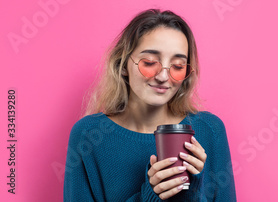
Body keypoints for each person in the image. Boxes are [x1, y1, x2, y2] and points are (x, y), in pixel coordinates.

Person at [63, 9, 237, 201]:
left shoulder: (209, 130)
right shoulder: (88, 135)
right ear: (123, 65)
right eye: (150, 62)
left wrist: (190, 192)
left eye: (178, 66)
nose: (163, 76)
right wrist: (150, 196)